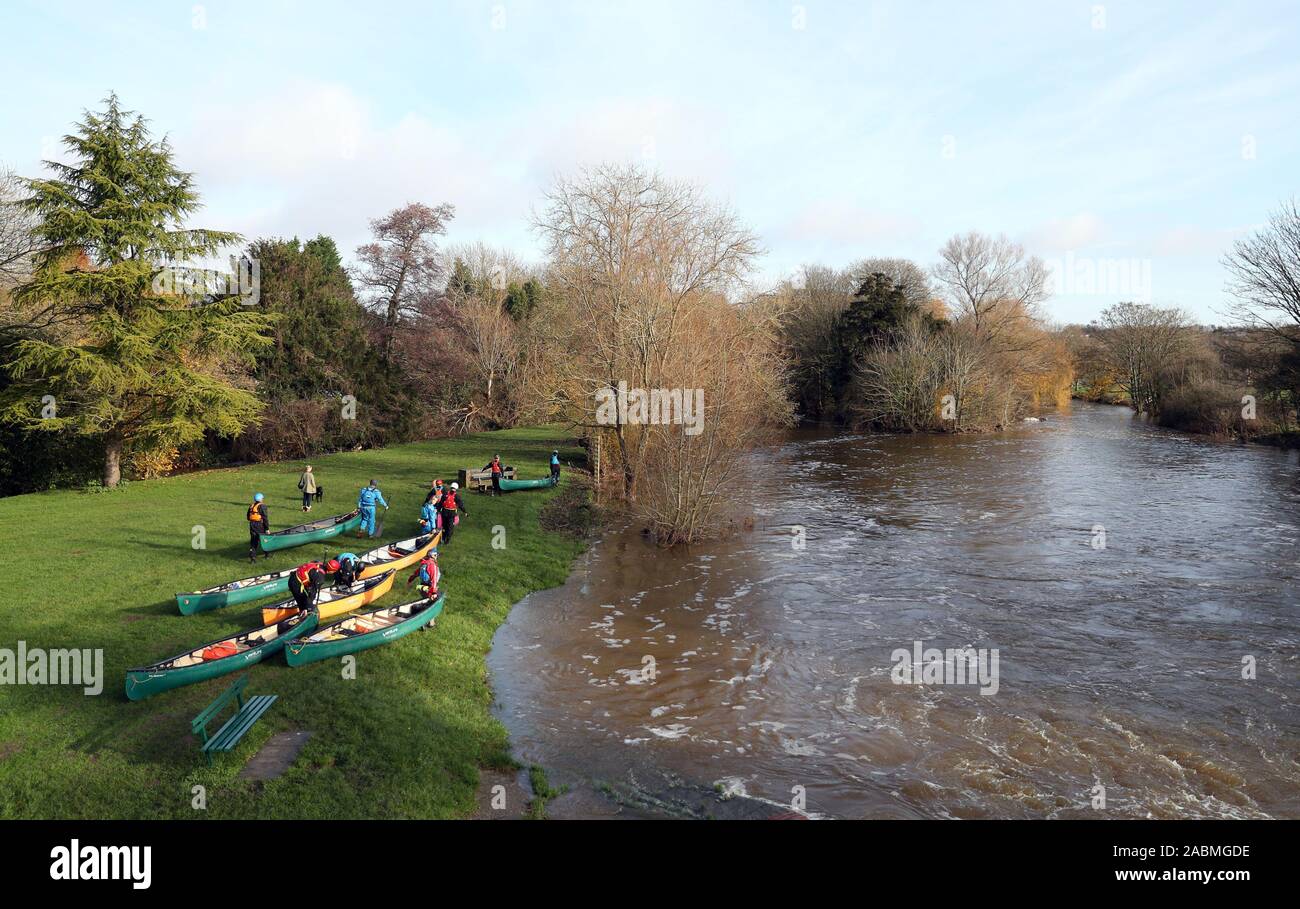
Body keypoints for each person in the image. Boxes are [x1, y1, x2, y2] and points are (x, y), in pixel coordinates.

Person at [246, 493, 270, 563]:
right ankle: (267, 555)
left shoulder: (251, 506)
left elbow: (248, 517)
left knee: (253, 540)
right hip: (259, 525)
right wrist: (267, 529)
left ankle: (253, 557)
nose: (263, 500)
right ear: (260, 499)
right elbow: (265, 518)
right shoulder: (262, 506)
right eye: (262, 498)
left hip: (252, 525)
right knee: (264, 539)